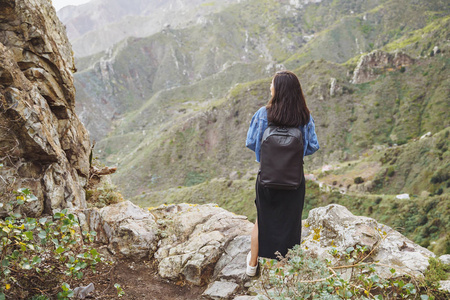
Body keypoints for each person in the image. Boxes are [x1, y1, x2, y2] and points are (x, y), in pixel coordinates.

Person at [245, 70, 319, 276]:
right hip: (294, 180)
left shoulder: (262, 114)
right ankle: (281, 272)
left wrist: (269, 157)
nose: (270, 86)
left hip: (267, 178)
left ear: (278, 89)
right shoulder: (304, 116)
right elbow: (313, 146)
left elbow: (251, 142)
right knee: (289, 224)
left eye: (272, 83)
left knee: (262, 219)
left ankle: (252, 265)